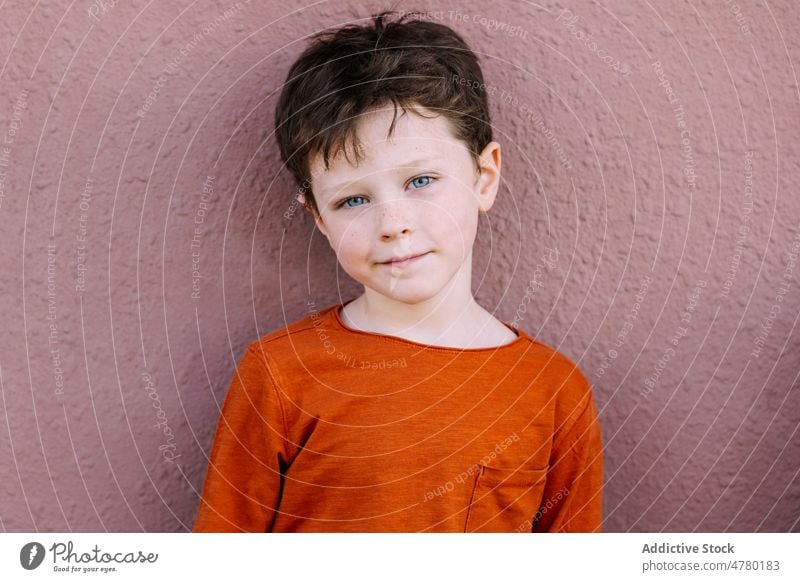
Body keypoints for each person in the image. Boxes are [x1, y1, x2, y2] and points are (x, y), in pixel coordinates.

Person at [192, 10, 602, 533]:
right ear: (318, 217)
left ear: (484, 177)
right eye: (353, 199)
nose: (393, 224)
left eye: (421, 181)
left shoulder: (553, 390)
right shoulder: (280, 373)